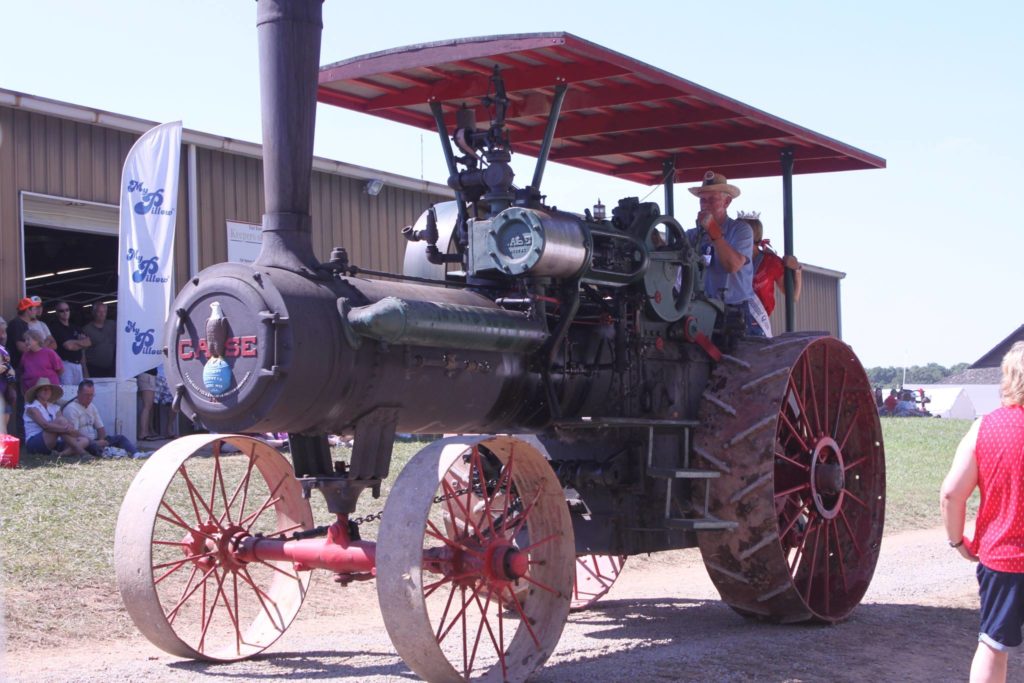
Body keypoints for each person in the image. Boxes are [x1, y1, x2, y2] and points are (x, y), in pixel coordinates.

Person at [941, 341, 1024, 683]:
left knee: (992, 645)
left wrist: (959, 542)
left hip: (1001, 558)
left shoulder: (985, 428)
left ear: (1007, 377)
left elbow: (951, 494)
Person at [684, 170, 759, 336]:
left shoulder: (741, 231)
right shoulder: (691, 235)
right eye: (703, 200)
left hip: (734, 311)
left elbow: (732, 265)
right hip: (702, 309)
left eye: (712, 200)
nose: (706, 205)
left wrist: (714, 233)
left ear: (727, 202)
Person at [740, 211, 803, 338]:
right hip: (729, 321)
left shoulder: (771, 262)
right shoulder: (728, 259)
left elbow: (793, 296)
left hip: (758, 325)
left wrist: (797, 270)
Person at [62, 380, 143, 458]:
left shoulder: (92, 406)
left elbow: (100, 428)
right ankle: (105, 452)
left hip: (95, 440)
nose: (89, 398)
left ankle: (136, 454)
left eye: (92, 395)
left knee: (120, 438)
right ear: (78, 393)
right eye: (86, 395)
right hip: (83, 442)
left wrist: (101, 440)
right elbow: (74, 433)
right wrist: (95, 442)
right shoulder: (71, 409)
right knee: (93, 447)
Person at [22, 377, 89, 457]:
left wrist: (69, 427)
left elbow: (64, 422)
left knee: (84, 440)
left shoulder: (54, 408)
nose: (47, 391)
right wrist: (66, 429)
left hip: (54, 441)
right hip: (35, 442)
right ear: (37, 392)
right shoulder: (31, 408)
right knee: (60, 422)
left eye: (49, 389)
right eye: (44, 389)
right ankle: (82, 452)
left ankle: (61, 455)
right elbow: (45, 426)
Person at [50, 300, 92, 386]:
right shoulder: (55, 328)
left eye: (67, 310)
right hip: (65, 365)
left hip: (78, 365)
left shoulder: (75, 327)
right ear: (57, 313)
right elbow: (68, 346)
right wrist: (81, 343)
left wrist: (75, 343)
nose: (65, 312)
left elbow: (88, 342)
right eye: (61, 311)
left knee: (79, 393)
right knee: (67, 393)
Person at [8, 295, 57, 369]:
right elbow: (22, 348)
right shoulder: (17, 323)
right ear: (28, 310)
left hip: (25, 367)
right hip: (17, 368)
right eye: (35, 308)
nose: (37, 311)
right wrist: (43, 345)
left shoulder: (24, 324)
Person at [82, 302, 116, 378]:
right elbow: (82, 352)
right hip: (93, 368)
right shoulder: (86, 329)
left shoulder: (112, 325)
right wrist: (84, 369)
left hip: (110, 368)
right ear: (94, 313)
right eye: (99, 311)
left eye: (104, 312)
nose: (102, 314)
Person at [0, 316, 14, 434]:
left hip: (3, 392)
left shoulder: (4, 351)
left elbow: (9, 372)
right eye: (1, 332)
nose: (3, 336)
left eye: (4, 332)